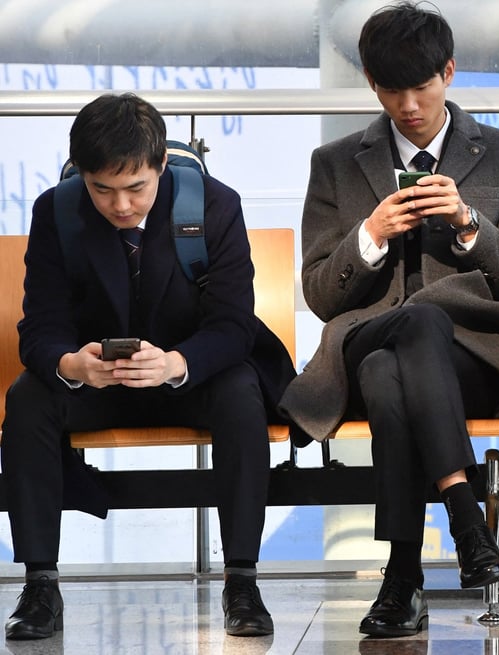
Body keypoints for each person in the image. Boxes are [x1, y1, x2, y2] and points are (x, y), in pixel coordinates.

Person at [276, 1, 499, 639]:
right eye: (392, 90)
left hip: (472, 355)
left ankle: (403, 580)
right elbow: (320, 294)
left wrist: (468, 225)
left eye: (421, 87)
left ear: (448, 72)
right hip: (365, 331)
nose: (409, 106)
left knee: (392, 368)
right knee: (406, 331)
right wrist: (368, 236)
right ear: (372, 85)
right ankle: (462, 509)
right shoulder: (338, 164)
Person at [1, 92, 290, 640]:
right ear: (80, 176)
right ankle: (39, 584)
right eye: (102, 189)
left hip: (188, 374)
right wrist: (71, 364)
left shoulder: (213, 206)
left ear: (160, 165)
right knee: (28, 398)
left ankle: (243, 580)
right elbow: (39, 327)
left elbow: (233, 325)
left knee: (240, 392)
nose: (121, 206)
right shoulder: (57, 211)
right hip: (98, 381)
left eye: (136, 187)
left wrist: (177, 363)